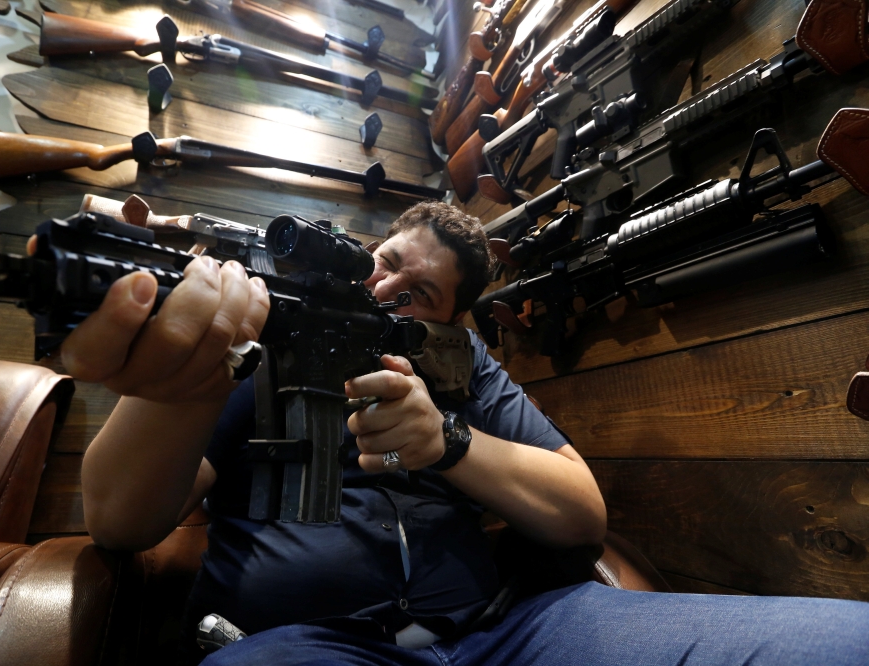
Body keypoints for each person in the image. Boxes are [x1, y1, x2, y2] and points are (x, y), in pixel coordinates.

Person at [66, 202, 869, 665]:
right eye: (381, 264)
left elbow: (581, 511)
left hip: (502, 633)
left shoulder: (466, 366)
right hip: (305, 645)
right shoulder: (263, 338)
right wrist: (181, 385)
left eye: (417, 294)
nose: (384, 290)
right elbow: (119, 521)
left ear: (451, 325)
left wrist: (448, 442)